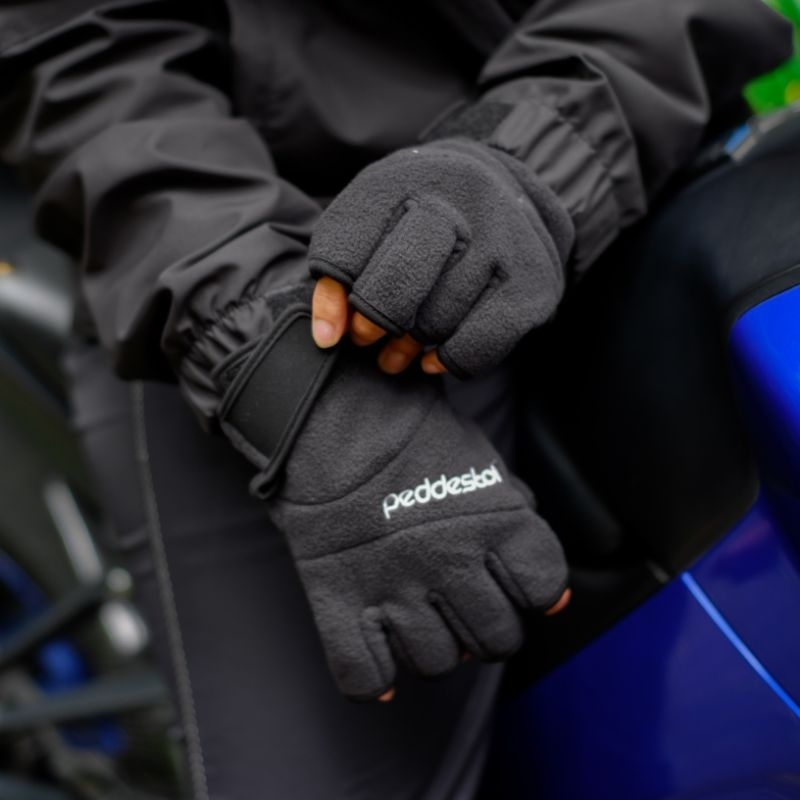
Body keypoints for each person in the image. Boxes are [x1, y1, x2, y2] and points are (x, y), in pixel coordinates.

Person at [0, 1, 792, 798]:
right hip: (235, 248)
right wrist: (291, 382)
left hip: (629, 140)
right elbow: (79, 56)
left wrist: (532, 162)